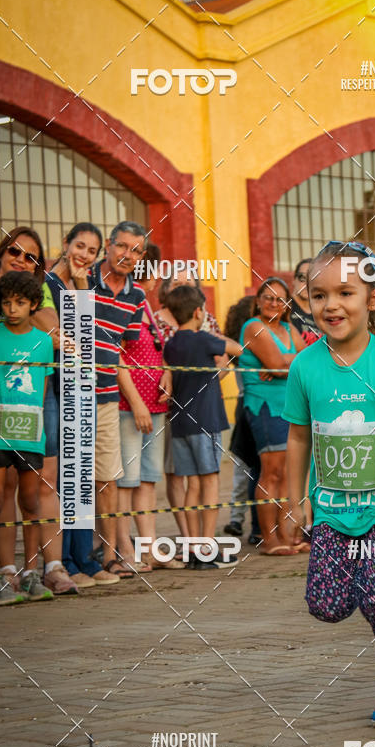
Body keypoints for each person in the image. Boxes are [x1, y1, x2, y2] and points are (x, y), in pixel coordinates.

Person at [285, 240, 375, 726]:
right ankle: (359, 583)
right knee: (325, 605)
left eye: (345, 292)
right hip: (329, 512)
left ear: (371, 300)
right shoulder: (304, 367)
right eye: (319, 295)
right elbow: (299, 439)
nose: (331, 305)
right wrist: (296, 500)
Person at [0, 227, 77, 597]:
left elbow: (54, 332)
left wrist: (44, 329)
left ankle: (47, 567)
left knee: (41, 484)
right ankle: (3, 571)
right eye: (14, 251)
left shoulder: (41, 291)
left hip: (34, 403)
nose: (22, 260)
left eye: (32, 257)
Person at [45, 222, 115, 588]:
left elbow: (88, 333)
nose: (84, 255)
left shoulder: (81, 284)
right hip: (56, 389)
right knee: (65, 478)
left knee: (82, 477)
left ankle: (85, 560)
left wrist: (83, 284)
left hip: (82, 387)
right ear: (65, 244)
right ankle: (67, 562)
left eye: (91, 251)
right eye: (80, 246)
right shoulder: (47, 284)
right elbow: (66, 335)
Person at [163, 284, 243, 569]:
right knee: (210, 481)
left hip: (181, 423)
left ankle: (194, 546)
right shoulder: (205, 340)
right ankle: (208, 546)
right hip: (205, 421)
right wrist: (215, 339)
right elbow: (238, 348)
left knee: (192, 484)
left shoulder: (171, 344)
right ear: (199, 312)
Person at [89, 221, 150, 579]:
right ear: (109, 246)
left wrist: (136, 399)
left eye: (136, 250)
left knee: (108, 477)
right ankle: (71, 559)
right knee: (71, 479)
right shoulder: (82, 281)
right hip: (68, 394)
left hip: (108, 395)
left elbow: (120, 351)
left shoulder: (137, 297)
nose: (128, 255)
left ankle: (110, 553)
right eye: (122, 246)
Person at [0, 272, 54, 605]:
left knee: (30, 502)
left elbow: (42, 392)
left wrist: (38, 430)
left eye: (20, 302)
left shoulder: (43, 342)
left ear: (33, 305)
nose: (12, 309)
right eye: (6, 302)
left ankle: (31, 574)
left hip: (30, 435)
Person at [116, 245, 176, 572]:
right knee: (127, 480)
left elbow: (154, 347)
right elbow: (115, 353)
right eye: (156, 269)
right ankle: (125, 550)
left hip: (153, 405)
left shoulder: (145, 301)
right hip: (130, 406)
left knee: (148, 480)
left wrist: (166, 370)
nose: (158, 276)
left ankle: (149, 548)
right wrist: (136, 402)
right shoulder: (127, 301)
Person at [239, 277, 305, 555]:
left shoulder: (289, 328)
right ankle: (269, 539)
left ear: (287, 304)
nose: (273, 303)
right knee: (272, 473)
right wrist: (283, 365)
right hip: (265, 407)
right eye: (267, 297)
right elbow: (278, 366)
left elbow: (311, 360)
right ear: (258, 301)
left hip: (291, 407)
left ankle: (287, 536)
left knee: (290, 474)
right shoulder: (253, 326)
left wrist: (283, 365)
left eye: (279, 299)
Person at [224, 295, 261, 541]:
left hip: (242, 406)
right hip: (254, 406)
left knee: (243, 468)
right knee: (255, 467)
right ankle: (249, 523)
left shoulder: (234, 346)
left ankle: (236, 518)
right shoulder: (250, 345)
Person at [289, 258, 321, 343]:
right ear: (294, 280)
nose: (307, 284)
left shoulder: (322, 311)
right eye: (302, 278)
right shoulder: (281, 307)